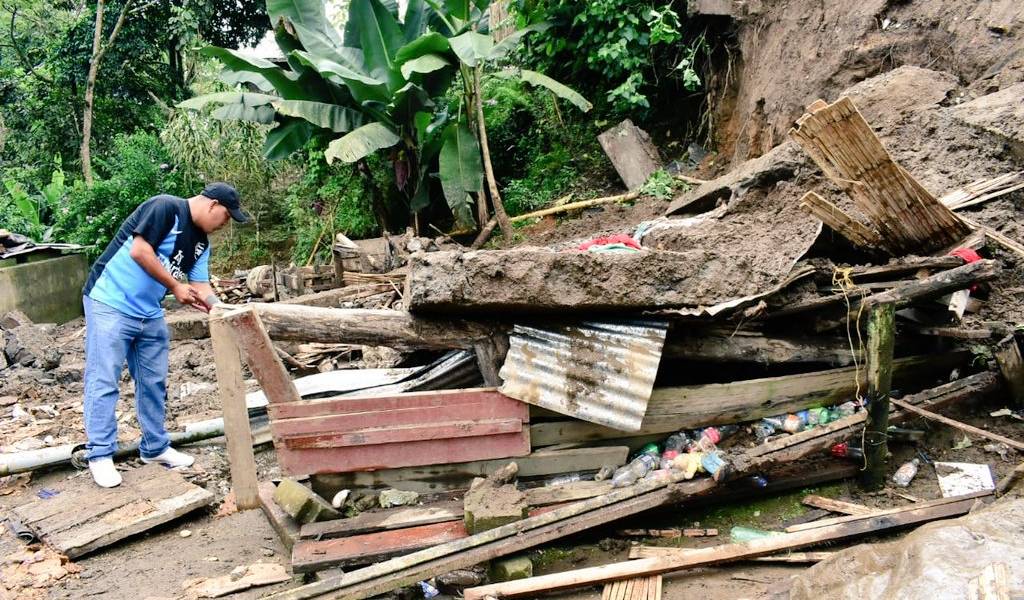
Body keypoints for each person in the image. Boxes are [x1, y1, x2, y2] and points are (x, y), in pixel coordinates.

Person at [81, 183, 249, 488]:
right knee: (104, 378)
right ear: (212, 205)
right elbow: (140, 251)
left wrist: (221, 310)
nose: (224, 225)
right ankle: (100, 455)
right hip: (110, 302)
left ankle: (154, 448)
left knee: (154, 381)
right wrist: (174, 287)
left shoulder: (201, 243)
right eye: (225, 217)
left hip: (148, 311)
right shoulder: (165, 207)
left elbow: (200, 286)